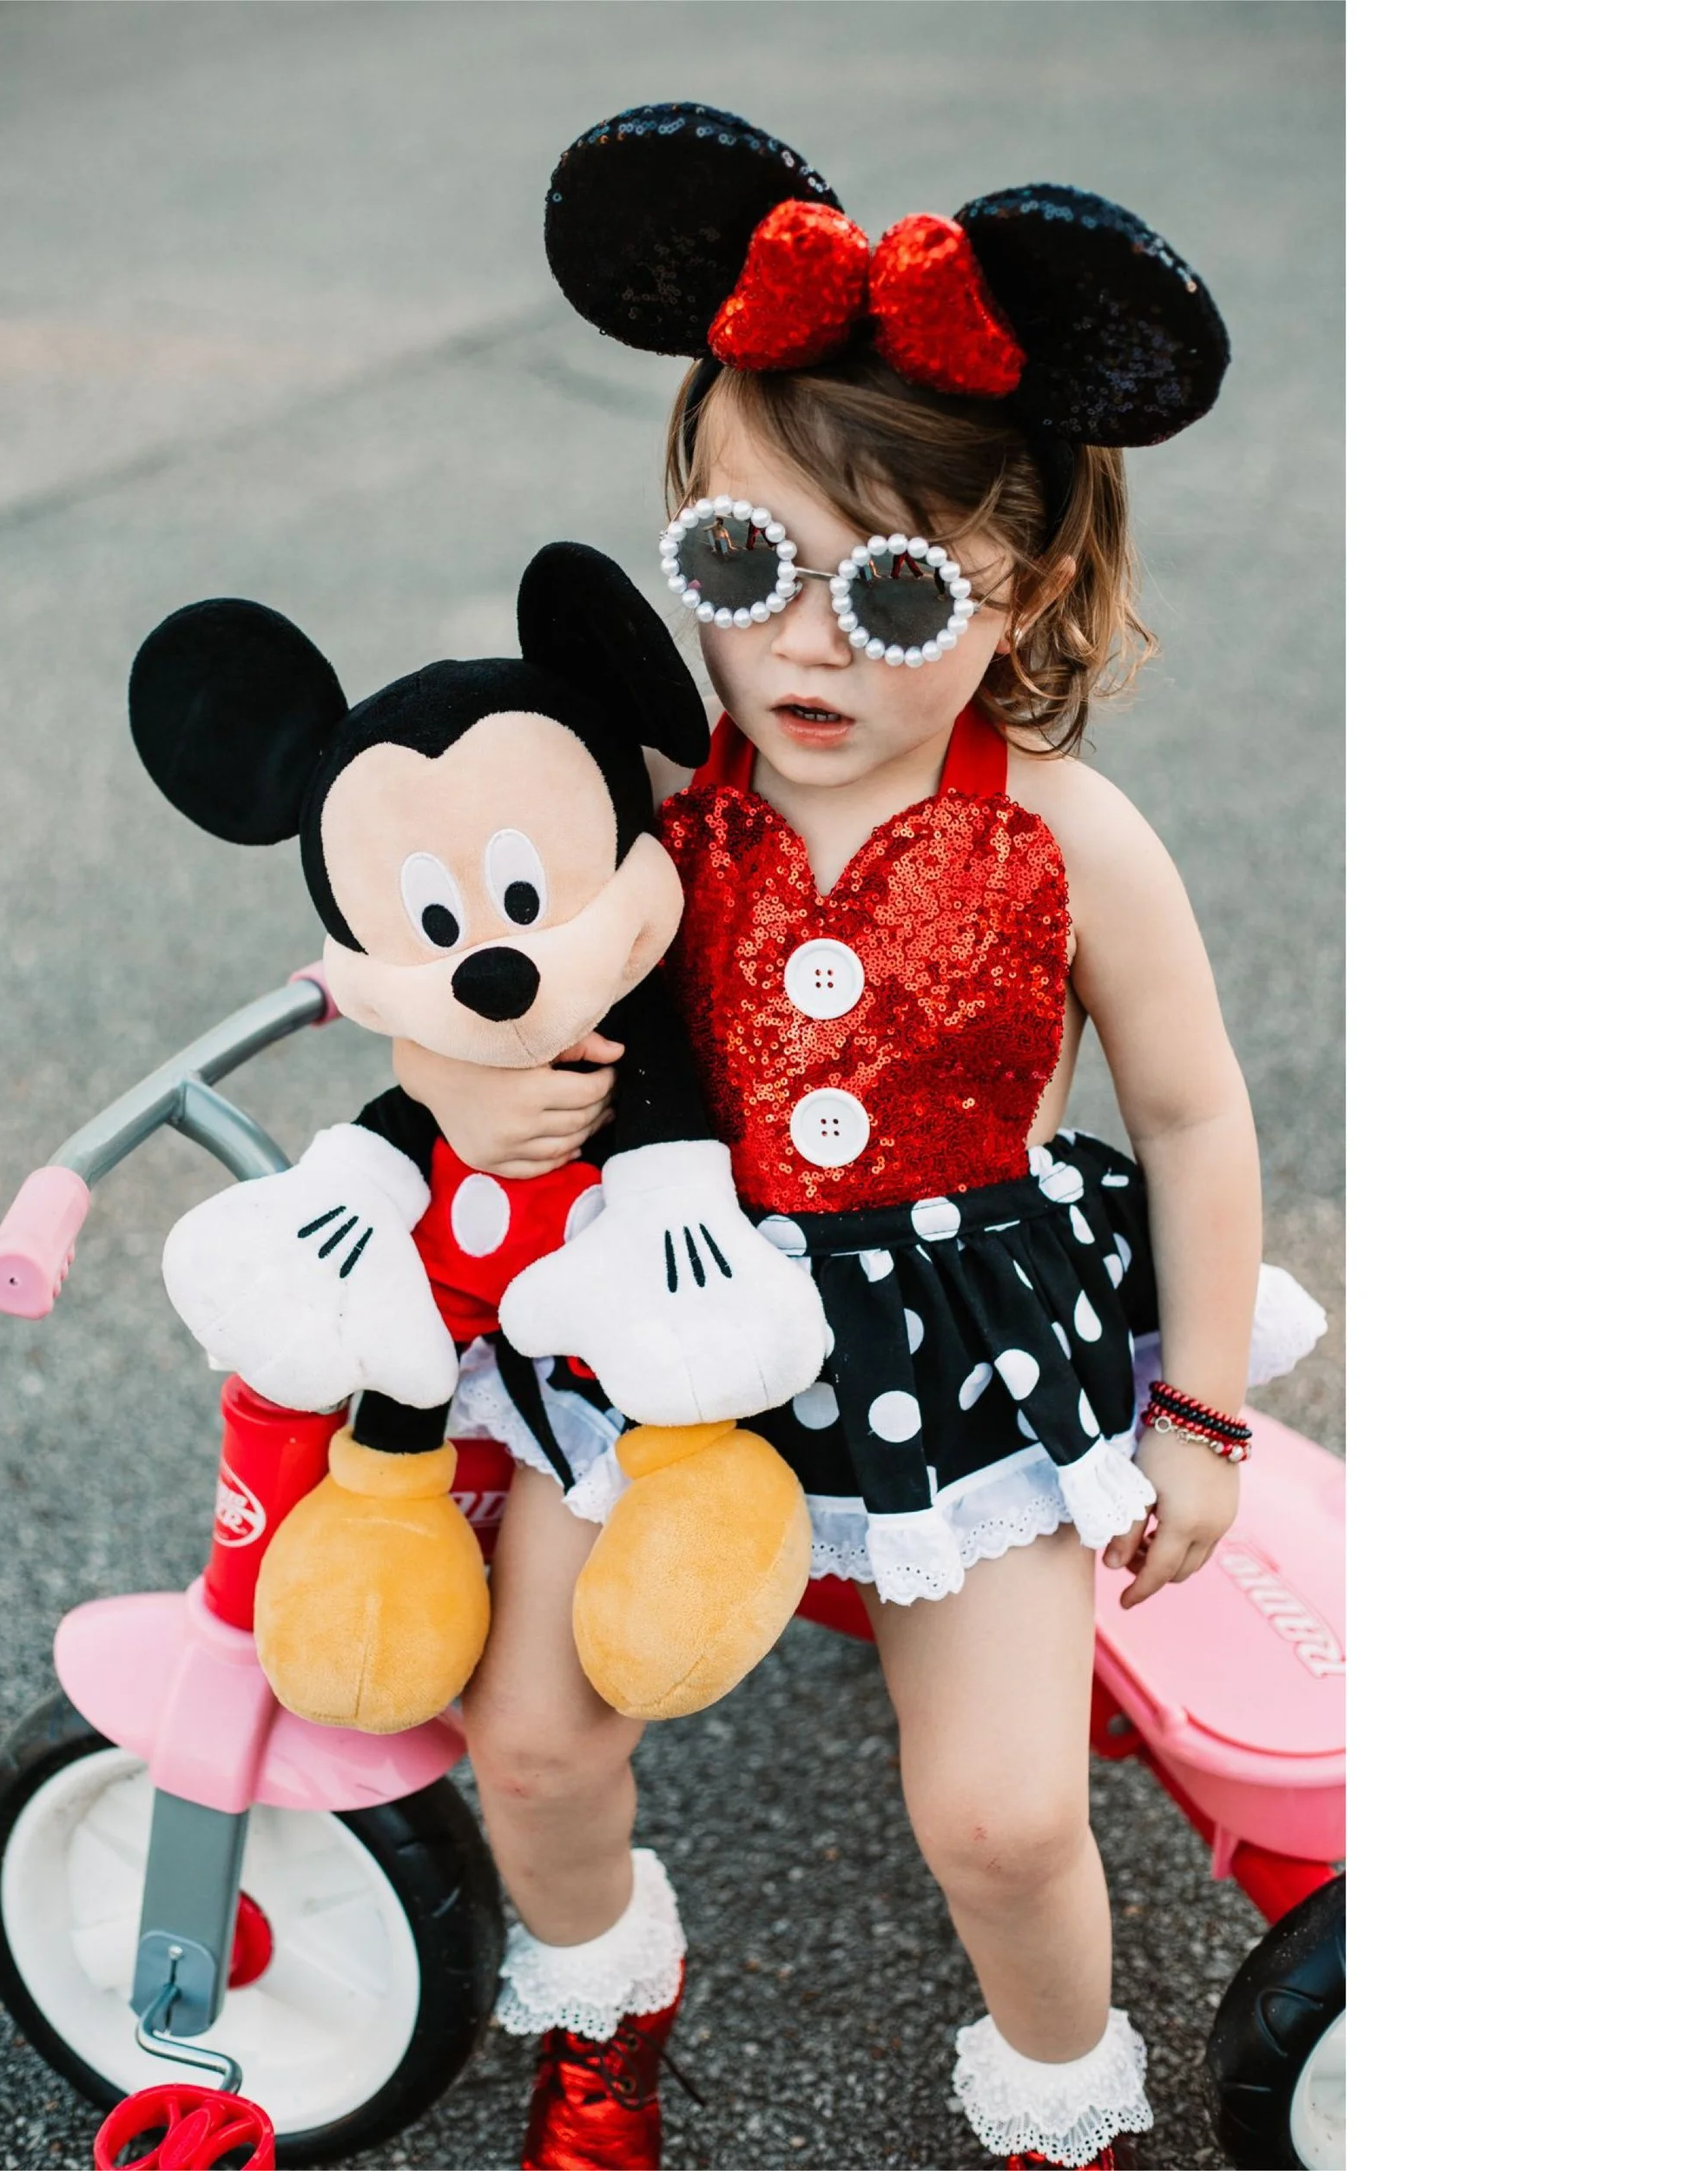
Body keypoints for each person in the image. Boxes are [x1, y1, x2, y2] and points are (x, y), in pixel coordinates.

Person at [392, 105, 1322, 2171]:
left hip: (954, 1357)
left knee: (1000, 1812)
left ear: (1027, 581)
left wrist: (1196, 1414)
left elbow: (1189, 1111)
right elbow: (468, 980)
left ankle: (1058, 2113)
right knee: (529, 1740)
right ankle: (604, 2016)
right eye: (743, 565)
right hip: (654, 1323)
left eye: (893, 591)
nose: (804, 643)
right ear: (684, 532)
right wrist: (463, 1086)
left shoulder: (1066, 834)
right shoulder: (634, 799)